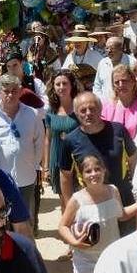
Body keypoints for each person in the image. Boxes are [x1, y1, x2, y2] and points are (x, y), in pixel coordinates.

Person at [60, 92, 137, 234]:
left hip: (123, 199)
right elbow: (65, 177)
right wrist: (69, 207)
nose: (88, 113)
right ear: (76, 113)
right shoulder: (70, 141)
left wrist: (136, 189)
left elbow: (134, 160)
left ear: (100, 110)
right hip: (91, 205)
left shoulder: (118, 130)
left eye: (92, 108)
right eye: (83, 110)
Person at [0, 74, 45, 232]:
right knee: (1, 224)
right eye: (6, 91)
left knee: (25, 222)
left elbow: (39, 143)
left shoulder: (33, 115)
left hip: (26, 178)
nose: (10, 95)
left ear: (20, 91)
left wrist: (33, 165)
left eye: (14, 91)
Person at [44, 69, 80, 210]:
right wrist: (46, 167)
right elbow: (47, 139)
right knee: (64, 201)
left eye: (65, 83)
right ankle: (66, 230)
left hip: (76, 158)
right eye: (57, 84)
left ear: (72, 85)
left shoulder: (80, 108)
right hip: (57, 158)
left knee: (79, 201)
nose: (61, 87)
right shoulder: (51, 111)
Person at [101, 65, 137, 139]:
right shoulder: (106, 106)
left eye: (124, 81)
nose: (121, 85)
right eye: (117, 82)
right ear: (113, 86)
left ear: (133, 82)